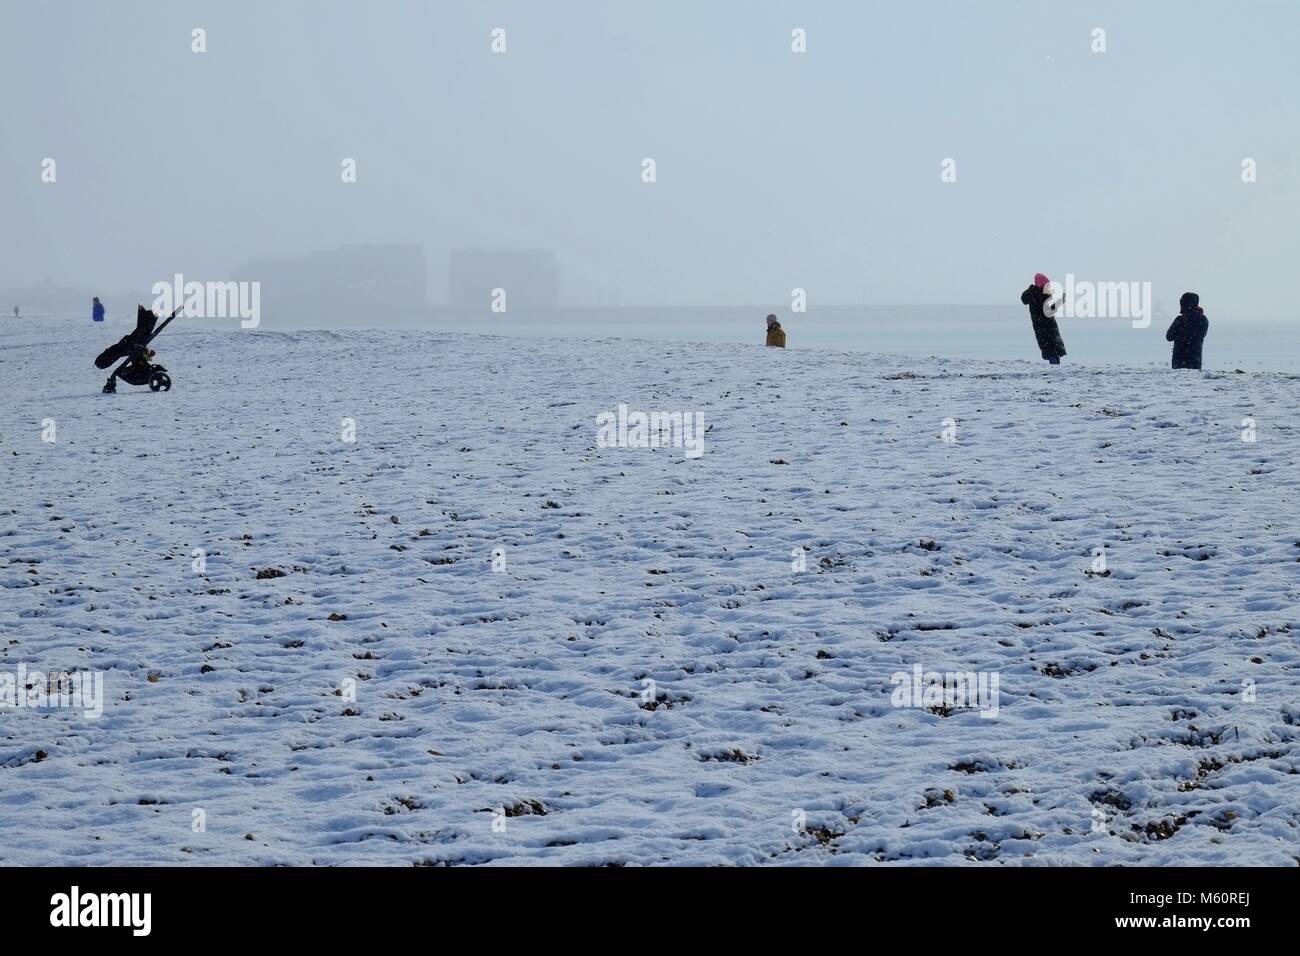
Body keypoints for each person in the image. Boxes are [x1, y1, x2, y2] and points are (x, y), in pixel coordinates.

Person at [1020, 272, 1066, 364]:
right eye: (1047, 285)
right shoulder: (1038, 296)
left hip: (1046, 330)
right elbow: (1047, 312)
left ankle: (1055, 371)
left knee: (1053, 353)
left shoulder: (1038, 295)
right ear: (1042, 285)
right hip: (1045, 330)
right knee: (1052, 353)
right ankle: (1054, 373)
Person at [1166, 292, 1209, 369]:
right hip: (1193, 360)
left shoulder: (1180, 320)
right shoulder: (1202, 319)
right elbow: (1169, 337)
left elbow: (1169, 336)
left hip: (1181, 361)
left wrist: (1181, 329)